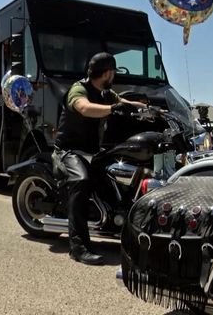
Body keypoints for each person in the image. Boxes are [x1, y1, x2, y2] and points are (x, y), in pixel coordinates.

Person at [52, 52, 147, 265]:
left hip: (92, 151)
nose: (114, 76)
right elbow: (84, 108)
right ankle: (78, 248)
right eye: (113, 72)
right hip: (69, 151)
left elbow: (125, 102)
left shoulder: (105, 93)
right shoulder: (79, 89)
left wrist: (152, 110)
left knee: (118, 178)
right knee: (81, 181)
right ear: (107, 73)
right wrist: (113, 109)